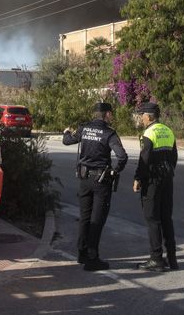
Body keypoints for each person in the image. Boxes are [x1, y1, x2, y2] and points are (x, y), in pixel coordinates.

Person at [62, 101, 128, 272]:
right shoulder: (109, 133)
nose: (112, 116)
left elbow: (67, 141)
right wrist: (114, 171)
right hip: (101, 181)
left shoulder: (84, 128)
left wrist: (66, 132)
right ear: (106, 114)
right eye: (111, 113)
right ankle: (92, 259)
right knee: (97, 219)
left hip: (84, 179)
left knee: (85, 217)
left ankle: (81, 253)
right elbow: (122, 157)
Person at [132, 102, 178, 272]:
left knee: (152, 219)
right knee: (166, 218)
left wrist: (138, 178)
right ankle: (172, 260)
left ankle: (156, 259)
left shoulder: (149, 133)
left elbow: (144, 160)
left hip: (152, 181)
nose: (141, 118)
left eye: (142, 115)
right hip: (167, 180)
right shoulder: (168, 130)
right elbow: (174, 158)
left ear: (149, 116)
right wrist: (168, 172)